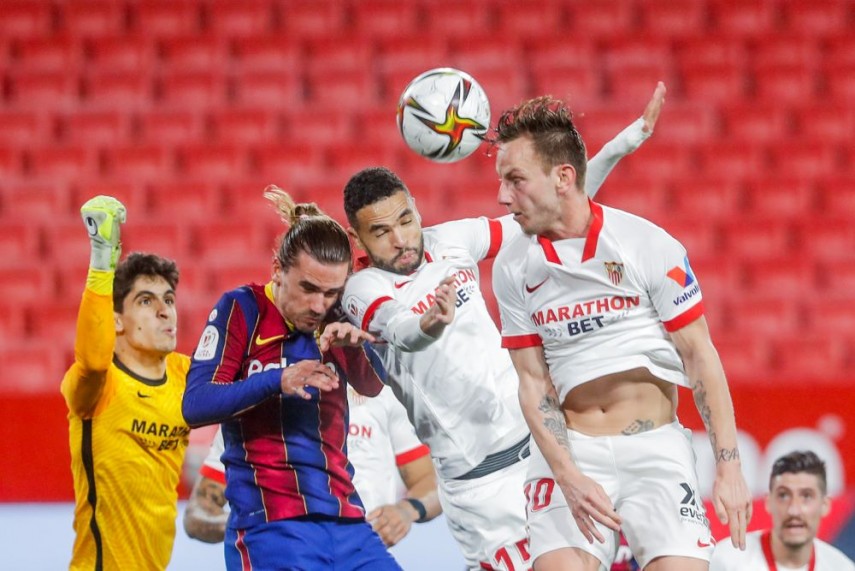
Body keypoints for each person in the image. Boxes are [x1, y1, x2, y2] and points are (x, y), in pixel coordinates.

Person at [339, 84, 666, 570]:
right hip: (479, 490)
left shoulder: (451, 241)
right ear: (358, 237)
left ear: (416, 208)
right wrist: (430, 324)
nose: (401, 239)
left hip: (540, 451)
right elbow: (400, 329)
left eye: (405, 220)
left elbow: (550, 211)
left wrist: (623, 144)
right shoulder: (362, 289)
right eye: (381, 232)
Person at [490, 92, 753, 571]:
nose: (503, 197)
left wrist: (729, 466)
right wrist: (567, 474)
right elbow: (532, 382)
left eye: (516, 180)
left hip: (656, 450)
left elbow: (700, 357)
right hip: (572, 451)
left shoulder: (647, 244)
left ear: (563, 178)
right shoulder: (512, 267)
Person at [181, 188, 403, 570]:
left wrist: (355, 347)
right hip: (271, 525)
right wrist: (278, 380)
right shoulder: (242, 309)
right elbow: (196, 403)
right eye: (308, 288)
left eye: (331, 292)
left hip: (347, 522)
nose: (319, 305)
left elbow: (372, 386)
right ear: (277, 270)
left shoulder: (336, 315)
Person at [61, 196, 191, 570]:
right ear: (116, 319)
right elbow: (92, 360)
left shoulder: (186, 374)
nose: (165, 312)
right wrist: (102, 260)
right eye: (146, 302)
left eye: (169, 299)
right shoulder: (98, 388)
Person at [183, 385, 441, 547]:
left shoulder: (380, 389)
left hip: (363, 557)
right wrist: (252, 525)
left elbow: (430, 484)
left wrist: (406, 511)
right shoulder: (252, 401)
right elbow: (198, 513)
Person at [711, 450, 855, 571]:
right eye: (784, 495)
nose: (794, 510)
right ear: (768, 502)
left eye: (806, 496)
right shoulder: (726, 561)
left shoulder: (842, 568)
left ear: (824, 505)